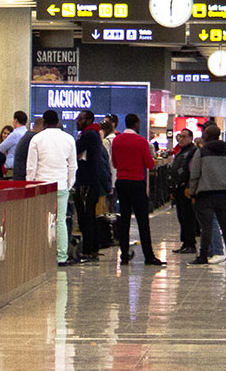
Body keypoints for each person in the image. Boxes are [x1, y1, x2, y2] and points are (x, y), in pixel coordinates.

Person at [111, 113, 164, 266]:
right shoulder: (141, 142)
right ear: (136, 124)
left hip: (122, 181)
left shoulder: (117, 141)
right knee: (142, 220)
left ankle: (124, 256)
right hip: (136, 183)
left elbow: (114, 163)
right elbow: (149, 164)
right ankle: (149, 256)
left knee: (124, 220)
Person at [28, 110, 77, 266]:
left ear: (43, 122)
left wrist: (30, 184)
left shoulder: (36, 139)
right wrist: (69, 184)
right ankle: (62, 256)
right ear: (58, 121)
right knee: (60, 220)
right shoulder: (69, 139)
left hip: (41, 185)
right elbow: (72, 166)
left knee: (43, 220)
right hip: (61, 185)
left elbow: (31, 166)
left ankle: (42, 254)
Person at [188, 124, 226, 268]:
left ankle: (203, 256)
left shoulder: (201, 152)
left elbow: (195, 174)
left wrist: (192, 192)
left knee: (206, 227)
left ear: (206, 136)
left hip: (205, 194)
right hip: (223, 194)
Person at [73, 111, 113, 263]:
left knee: (86, 217)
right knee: (90, 216)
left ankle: (88, 251)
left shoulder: (88, 135)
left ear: (89, 120)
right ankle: (93, 249)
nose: (77, 121)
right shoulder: (93, 134)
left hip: (86, 182)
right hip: (92, 182)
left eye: (80, 119)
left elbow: (74, 151)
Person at [167, 128, 200, 254]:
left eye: (184, 136)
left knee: (188, 216)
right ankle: (185, 242)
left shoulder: (193, 151)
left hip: (186, 189)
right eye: (180, 136)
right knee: (182, 216)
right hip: (178, 189)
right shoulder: (181, 151)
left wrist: (189, 187)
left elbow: (192, 171)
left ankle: (190, 243)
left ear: (191, 138)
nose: (181, 139)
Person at [4, 110, 32, 179]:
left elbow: (1, 148)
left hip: (12, 167)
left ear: (15, 120)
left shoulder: (15, 134)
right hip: (25, 167)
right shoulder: (28, 133)